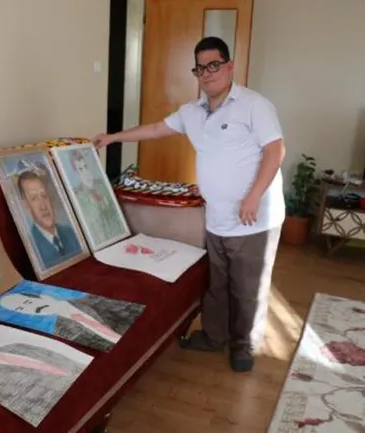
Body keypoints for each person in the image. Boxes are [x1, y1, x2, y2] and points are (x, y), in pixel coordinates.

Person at [92, 36, 285, 373]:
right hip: (217, 217)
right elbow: (155, 130)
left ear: (229, 66)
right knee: (217, 283)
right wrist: (112, 138)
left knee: (247, 288)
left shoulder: (254, 105)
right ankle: (213, 337)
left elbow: (275, 150)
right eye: (200, 68)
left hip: (254, 217)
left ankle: (243, 346)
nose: (207, 73)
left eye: (214, 65)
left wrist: (254, 195)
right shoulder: (192, 112)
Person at [0, 291, 144, 352]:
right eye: (21, 309)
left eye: (27, 302)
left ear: (43, 296)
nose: (32, 309)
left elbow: (132, 313)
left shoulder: (90, 300)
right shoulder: (59, 330)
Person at [17, 169, 82, 269]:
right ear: (26, 205)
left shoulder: (71, 232)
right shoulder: (31, 248)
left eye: (44, 195)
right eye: (34, 198)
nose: (43, 206)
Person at [69, 150, 125, 246]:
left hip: (116, 237)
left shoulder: (103, 185)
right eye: (80, 169)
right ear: (76, 173)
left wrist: (104, 201)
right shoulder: (77, 195)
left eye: (86, 167)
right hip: (96, 241)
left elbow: (115, 214)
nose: (85, 172)